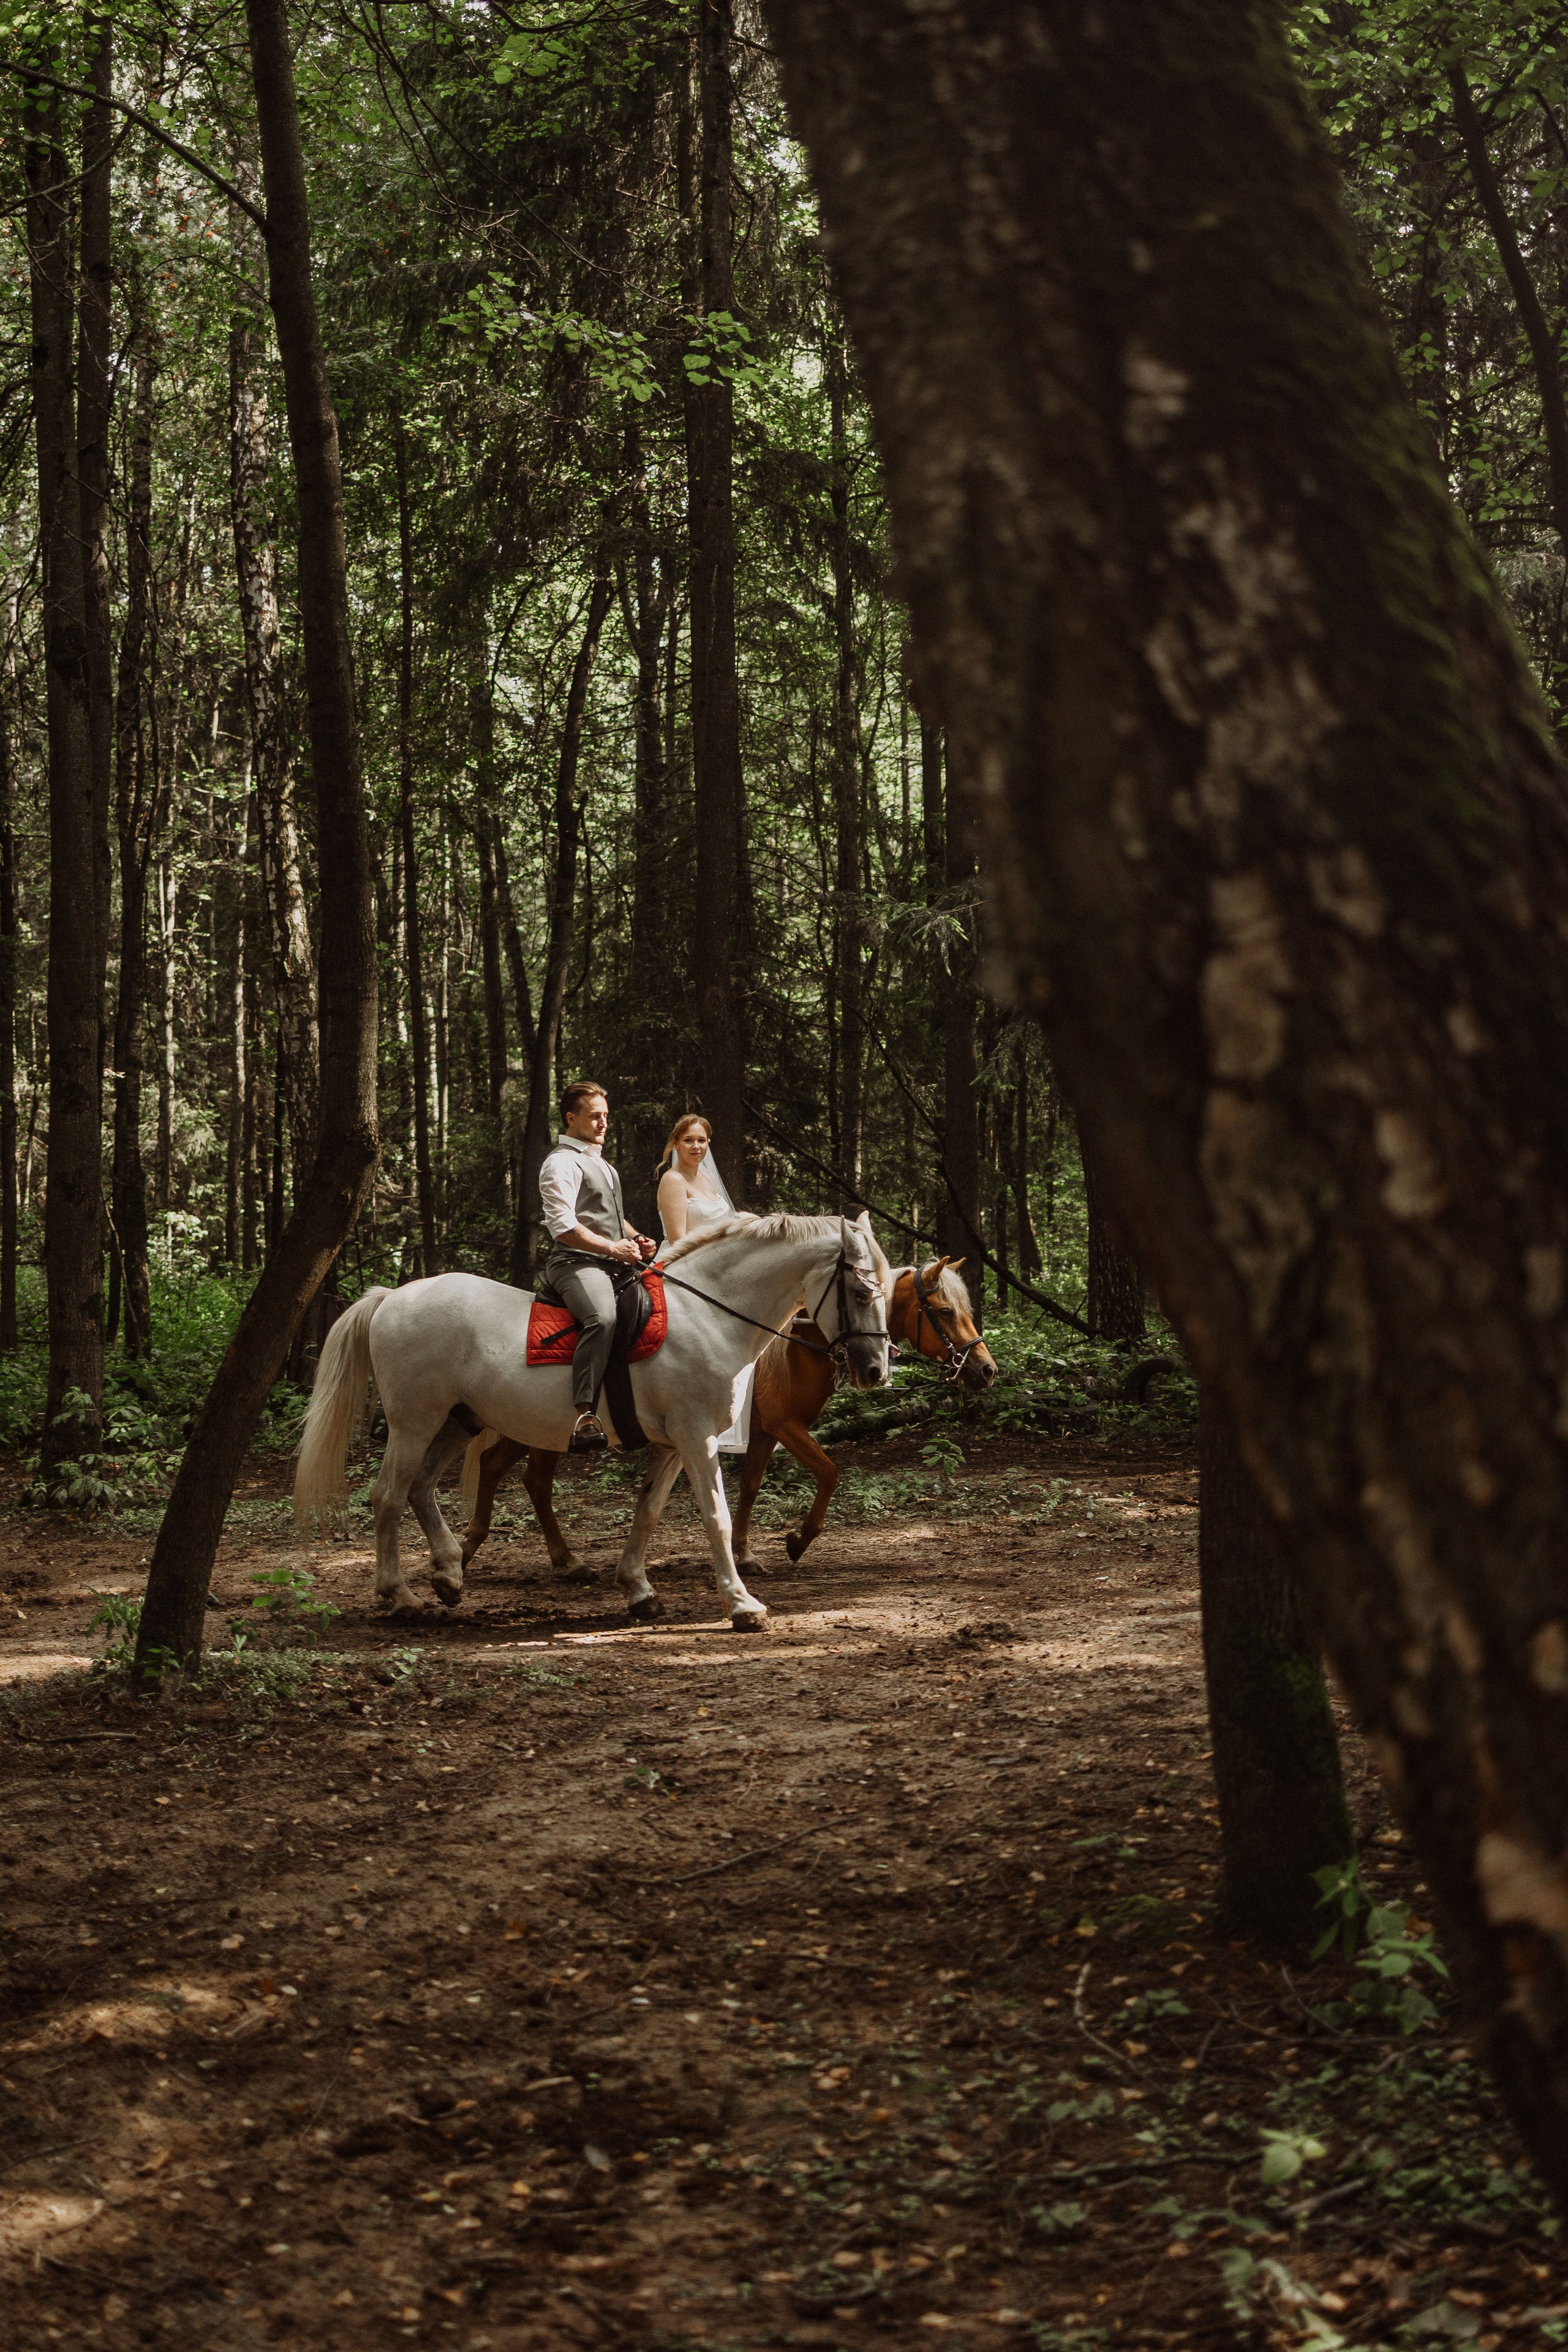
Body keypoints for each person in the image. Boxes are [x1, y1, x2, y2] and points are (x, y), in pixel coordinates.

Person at [538, 1080, 657, 1453]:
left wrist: (638, 1239)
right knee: (602, 1318)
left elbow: (612, 1219)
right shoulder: (560, 1162)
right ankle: (585, 1414)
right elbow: (563, 1227)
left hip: (614, 1262)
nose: (603, 1123)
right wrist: (612, 1249)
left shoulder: (601, 1164)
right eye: (594, 1117)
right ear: (572, 1119)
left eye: (605, 1116)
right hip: (575, 1263)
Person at [654, 1114, 753, 1452]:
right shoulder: (673, 1180)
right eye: (688, 1140)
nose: (696, 1147)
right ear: (675, 1143)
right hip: (683, 1267)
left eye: (702, 1140)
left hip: (716, 1268)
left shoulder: (709, 1177)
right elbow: (679, 1239)